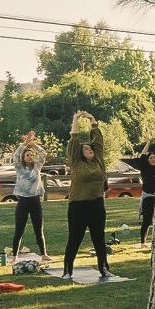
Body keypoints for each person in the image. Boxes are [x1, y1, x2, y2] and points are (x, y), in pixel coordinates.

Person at [63, 111, 114, 280]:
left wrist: (93, 121)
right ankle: (68, 270)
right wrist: (75, 119)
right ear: (79, 153)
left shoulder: (98, 160)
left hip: (97, 204)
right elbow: (74, 139)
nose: (90, 149)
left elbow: (98, 142)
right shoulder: (76, 163)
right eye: (86, 148)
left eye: (90, 148)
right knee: (74, 239)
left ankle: (104, 268)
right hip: (78, 206)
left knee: (99, 238)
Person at [11, 131, 51, 261]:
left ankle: (44, 254)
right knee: (19, 230)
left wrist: (33, 144)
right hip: (23, 202)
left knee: (38, 229)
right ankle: (14, 256)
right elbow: (16, 155)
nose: (29, 156)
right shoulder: (19, 167)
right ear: (23, 157)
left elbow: (43, 154)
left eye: (31, 155)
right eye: (27, 155)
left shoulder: (37, 167)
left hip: (35, 201)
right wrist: (25, 144)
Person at [121, 139, 155, 248]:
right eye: (151, 157)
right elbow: (142, 155)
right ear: (147, 160)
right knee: (147, 221)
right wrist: (148, 142)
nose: (153, 159)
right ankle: (143, 243)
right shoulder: (145, 168)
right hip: (148, 197)